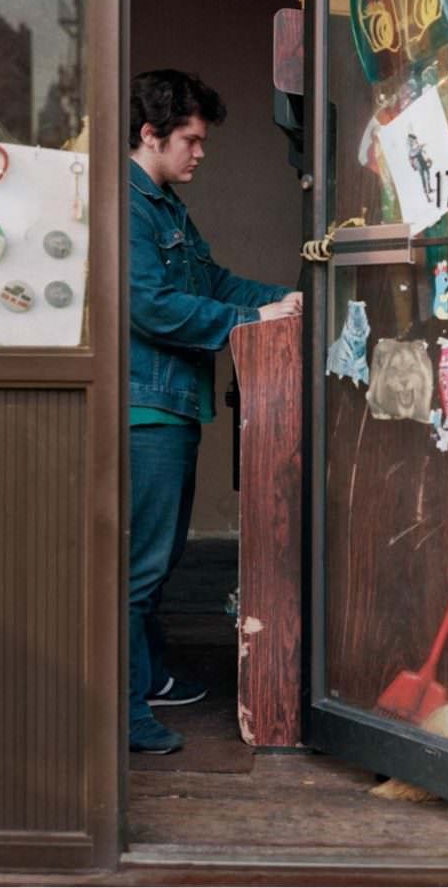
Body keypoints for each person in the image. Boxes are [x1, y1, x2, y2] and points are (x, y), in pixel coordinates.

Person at [128, 70, 302, 754]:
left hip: (171, 404)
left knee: (156, 563)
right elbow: (150, 307)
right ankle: (127, 714)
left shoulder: (165, 204)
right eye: (191, 140)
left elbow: (213, 281)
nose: (201, 153)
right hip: (146, 409)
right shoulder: (131, 207)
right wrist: (250, 316)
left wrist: (286, 297)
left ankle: (150, 677)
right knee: (139, 571)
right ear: (151, 134)